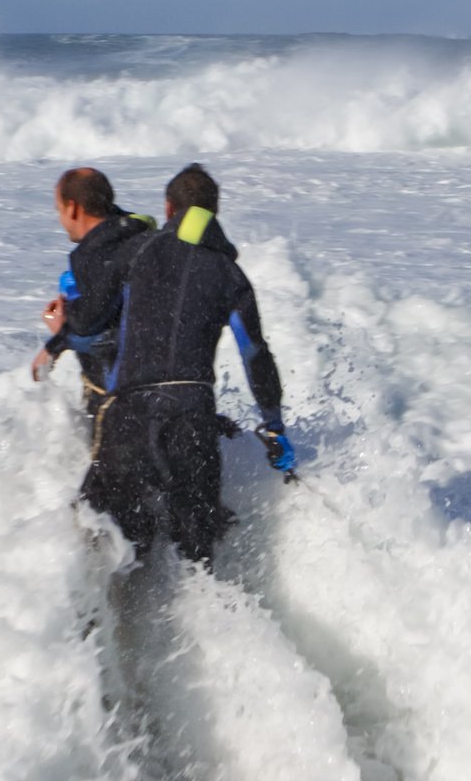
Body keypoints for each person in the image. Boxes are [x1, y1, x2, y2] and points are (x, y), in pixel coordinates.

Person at [81, 163, 299, 564]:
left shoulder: (135, 252)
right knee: (196, 558)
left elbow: (89, 324)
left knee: (103, 542)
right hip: (190, 419)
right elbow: (254, 354)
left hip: (128, 415)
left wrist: (62, 324)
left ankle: (96, 622)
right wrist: (274, 426)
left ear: (167, 208)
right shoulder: (229, 273)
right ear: (214, 213)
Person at [32, 168, 157, 417]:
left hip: (121, 400)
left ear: (73, 208)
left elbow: (99, 326)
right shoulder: (141, 235)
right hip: (164, 386)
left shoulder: (97, 253)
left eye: (59, 210)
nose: (60, 219)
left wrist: (61, 333)